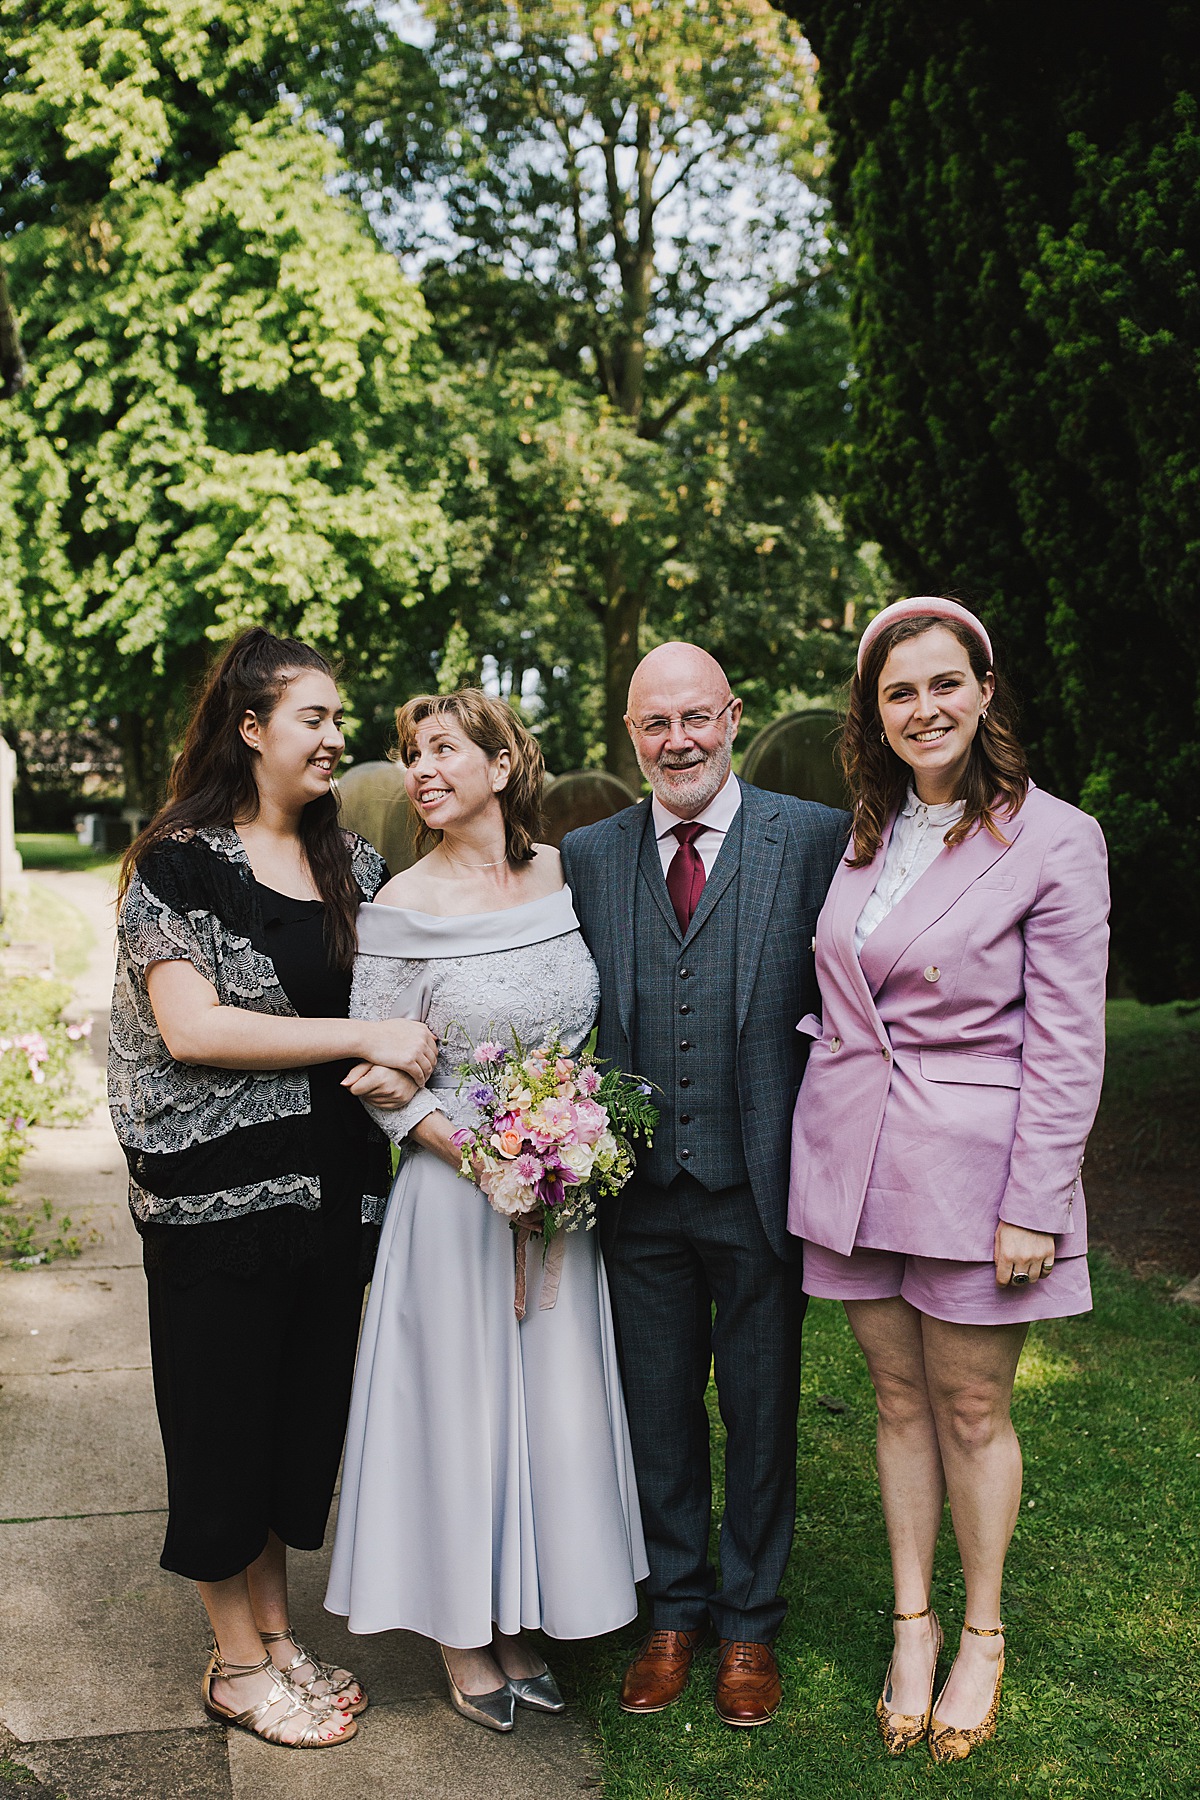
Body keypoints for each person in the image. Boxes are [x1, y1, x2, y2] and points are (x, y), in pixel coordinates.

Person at [789, 596, 1109, 1764]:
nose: (923, 709)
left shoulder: (1056, 838)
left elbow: (1068, 1041)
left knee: (974, 1407)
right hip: (852, 1154)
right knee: (897, 1402)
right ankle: (912, 1623)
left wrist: (1037, 1197)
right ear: (874, 715)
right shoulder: (863, 834)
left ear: (984, 691)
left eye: (943, 685)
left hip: (977, 1173)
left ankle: (982, 1632)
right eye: (897, 692)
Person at [109, 629, 438, 1750]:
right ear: (250, 729)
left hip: (334, 1197)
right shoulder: (178, 862)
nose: (338, 737)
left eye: (339, 718)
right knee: (221, 1428)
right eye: (315, 717)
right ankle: (235, 1668)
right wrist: (366, 1030)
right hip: (218, 1208)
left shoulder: (356, 864)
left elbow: (413, 994)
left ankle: (277, 1636)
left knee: (294, 1429)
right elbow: (191, 1027)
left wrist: (411, 1050)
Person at [325, 689, 647, 1734]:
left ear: (503, 766)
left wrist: (568, 1151)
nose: (423, 770)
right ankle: (466, 1636)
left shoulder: (562, 875)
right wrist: (493, 1159)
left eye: (445, 749)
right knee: (461, 1415)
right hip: (457, 1198)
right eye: (411, 755)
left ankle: (528, 1618)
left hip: (561, 1200)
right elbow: (379, 1078)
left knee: (545, 1412)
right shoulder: (400, 905)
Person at [559, 642, 848, 1729]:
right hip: (640, 1193)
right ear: (629, 735)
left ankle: (750, 1622)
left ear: (731, 717)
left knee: (763, 1408)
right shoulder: (588, 853)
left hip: (761, 1182)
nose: (675, 741)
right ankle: (674, 1608)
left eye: (694, 718)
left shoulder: (811, 838)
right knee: (658, 1410)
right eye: (652, 725)